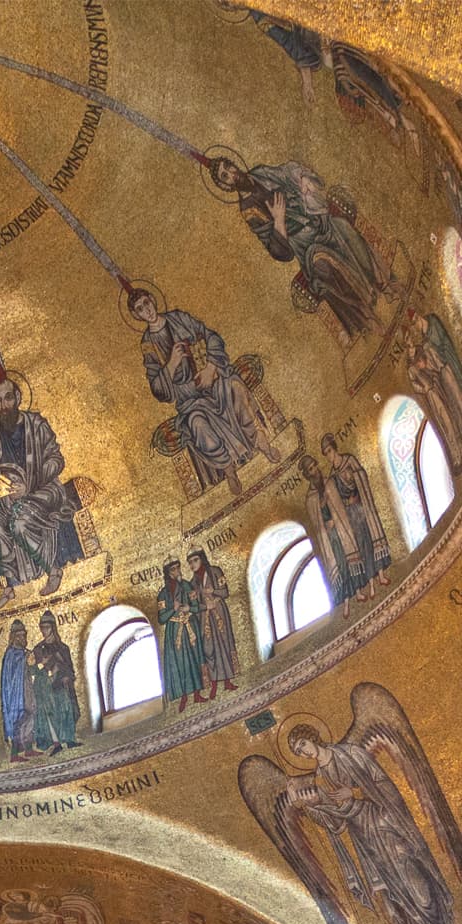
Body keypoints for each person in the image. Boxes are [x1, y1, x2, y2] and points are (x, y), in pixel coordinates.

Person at [287, 723, 459, 924]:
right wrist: (309, 807)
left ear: (312, 737)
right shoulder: (319, 777)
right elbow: (337, 824)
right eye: (298, 751)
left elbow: (385, 787)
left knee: (419, 890)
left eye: (303, 745)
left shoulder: (351, 753)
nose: (303, 752)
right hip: (367, 845)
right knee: (392, 906)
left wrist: (354, 792)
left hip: (387, 831)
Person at [211, 156, 397, 343]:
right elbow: (279, 252)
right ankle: (367, 316)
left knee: (344, 229)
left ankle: (386, 285)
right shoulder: (249, 211)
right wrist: (279, 221)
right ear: (226, 187)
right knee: (323, 267)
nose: (232, 174)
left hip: (318, 220)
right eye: (225, 176)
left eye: (229, 167)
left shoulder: (260, 173)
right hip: (305, 246)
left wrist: (302, 178)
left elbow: (286, 170)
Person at [129, 289, 279, 495]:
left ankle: (262, 442)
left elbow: (212, 337)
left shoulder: (179, 318)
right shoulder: (148, 346)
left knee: (235, 388)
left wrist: (210, 368)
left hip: (213, 381)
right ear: (136, 316)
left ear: (153, 300)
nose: (147, 310)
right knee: (197, 424)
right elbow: (157, 389)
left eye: (147, 303)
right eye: (140, 309)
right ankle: (228, 469)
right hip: (188, 400)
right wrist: (171, 363)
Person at [0, 377, 83, 608]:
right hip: (9, 496)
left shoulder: (36, 424)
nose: (3, 406)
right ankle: (11, 586)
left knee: (20, 524)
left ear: (18, 398)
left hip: (42, 491)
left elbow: (57, 459)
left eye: (8, 398)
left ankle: (53, 570)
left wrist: (30, 484)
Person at [321, 434, 391, 600]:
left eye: (329, 450)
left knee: (371, 540)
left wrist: (355, 486)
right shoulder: (332, 476)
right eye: (326, 453)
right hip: (351, 516)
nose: (329, 456)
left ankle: (381, 575)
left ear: (334, 447)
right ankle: (371, 583)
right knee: (361, 546)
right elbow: (335, 500)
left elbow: (362, 478)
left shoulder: (350, 460)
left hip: (362, 509)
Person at [300, 454, 365, 618]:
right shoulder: (310, 499)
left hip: (342, 528)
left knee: (351, 560)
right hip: (331, 537)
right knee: (341, 565)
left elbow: (339, 502)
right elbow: (316, 523)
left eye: (315, 466)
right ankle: (346, 601)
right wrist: (322, 509)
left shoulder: (329, 483)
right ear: (308, 475)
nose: (316, 470)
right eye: (311, 469)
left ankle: (358, 592)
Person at [406, 312, 462, 470]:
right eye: (408, 343)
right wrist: (425, 388)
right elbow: (415, 382)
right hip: (433, 393)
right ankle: (457, 454)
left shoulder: (423, 348)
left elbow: (432, 363)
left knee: (456, 405)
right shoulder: (410, 367)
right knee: (447, 421)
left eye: (411, 340)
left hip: (442, 378)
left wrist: (435, 373)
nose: (411, 344)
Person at [186, 549, 238, 698]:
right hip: (204, 618)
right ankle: (214, 683)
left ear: (202, 559)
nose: (192, 565)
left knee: (224, 644)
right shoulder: (192, 583)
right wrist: (203, 607)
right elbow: (194, 606)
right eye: (190, 562)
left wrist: (213, 591)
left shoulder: (215, 571)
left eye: (195, 560)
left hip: (219, 612)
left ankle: (227, 681)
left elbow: (225, 592)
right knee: (208, 649)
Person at [28, 611, 81, 753]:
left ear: (53, 627)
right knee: (50, 713)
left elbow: (69, 667)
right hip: (45, 687)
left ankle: (69, 740)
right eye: (41, 627)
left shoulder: (63, 648)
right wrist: (44, 666)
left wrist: (65, 675)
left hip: (61, 685)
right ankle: (56, 743)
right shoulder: (38, 649)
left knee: (66, 709)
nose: (43, 630)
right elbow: (34, 668)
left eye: (46, 627)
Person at [157, 560, 206, 712]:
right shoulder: (163, 594)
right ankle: (183, 697)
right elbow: (162, 618)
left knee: (194, 658)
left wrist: (189, 607)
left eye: (178, 568)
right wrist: (174, 609)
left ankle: (197, 693)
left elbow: (197, 606)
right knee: (179, 663)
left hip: (190, 626)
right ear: (168, 573)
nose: (177, 571)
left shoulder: (187, 586)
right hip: (175, 631)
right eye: (173, 569)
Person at [0, 619, 38, 761]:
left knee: (31, 716)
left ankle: (28, 749)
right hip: (16, 694)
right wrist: (25, 658)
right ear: (14, 637)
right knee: (19, 720)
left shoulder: (23, 652)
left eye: (24, 635)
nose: (24, 639)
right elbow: (11, 675)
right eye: (20, 636)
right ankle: (14, 754)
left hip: (26, 689)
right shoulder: (11, 654)